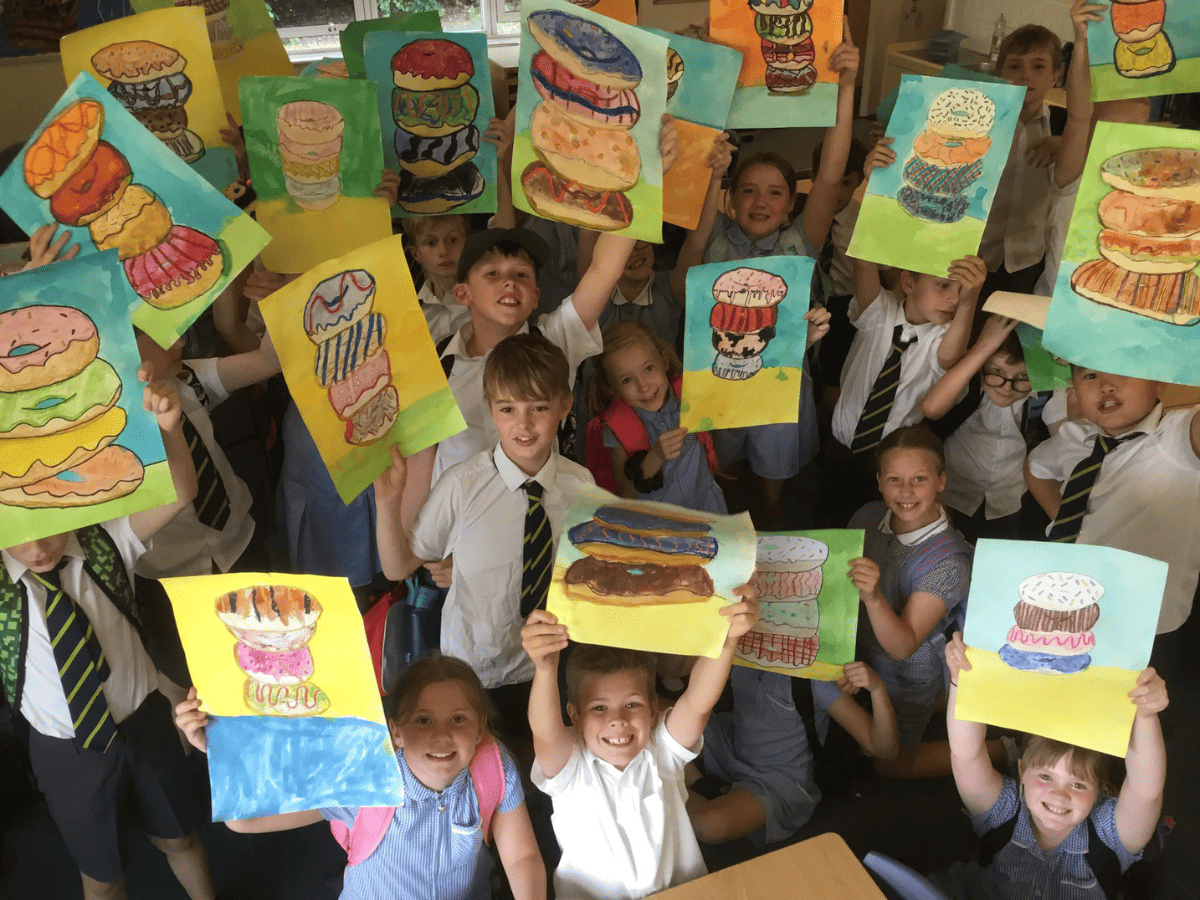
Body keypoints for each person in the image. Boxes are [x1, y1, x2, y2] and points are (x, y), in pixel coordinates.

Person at [1, 373, 212, 900]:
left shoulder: (101, 540)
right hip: (65, 748)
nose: (39, 548)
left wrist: (168, 428)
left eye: (49, 524)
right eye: (18, 537)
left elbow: (181, 492)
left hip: (146, 722)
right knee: (101, 874)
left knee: (180, 836)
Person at [428, 117, 678, 486]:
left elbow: (604, 270)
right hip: (462, 532)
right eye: (492, 274)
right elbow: (420, 466)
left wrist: (646, 180)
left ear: (536, 297)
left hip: (545, 518)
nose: (509, 282)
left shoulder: (554, 339)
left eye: (522, 275)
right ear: (462, 293)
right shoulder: (437, 361)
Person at [676, 23, 858, 527]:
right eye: (749, 191)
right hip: (717, 377)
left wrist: (846, 88)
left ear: (790, 204)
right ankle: (730, 514)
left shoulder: (801, 241)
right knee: (722, 466)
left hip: (780, 377)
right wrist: (695, 60)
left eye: (775, 192)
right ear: (730, 201)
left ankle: (773, 512)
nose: (761, 201)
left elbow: (830, 170)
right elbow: (686, 153)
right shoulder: (710, 237)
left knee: (773, 476)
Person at [173, 654, 545, 900]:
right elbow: (245, 821)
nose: (441, 735)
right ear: (396, 732)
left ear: (481, 727)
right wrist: (221, 750)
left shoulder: (492, 766)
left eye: (459, 719)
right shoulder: (363, 777)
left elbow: (522, 856)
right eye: (423, 720)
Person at [374, 334, 594, 738]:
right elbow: (397, 567)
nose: (523, 424)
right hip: (476, 672)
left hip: (550, 663)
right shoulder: (463, 484)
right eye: (507, 408)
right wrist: (388, 504)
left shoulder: (581, 486)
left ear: (564, 405)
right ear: (491, 409)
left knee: (541, 769)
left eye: (539, 408)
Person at [519, 584, 758, 900]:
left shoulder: (662, 753)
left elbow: (698, 703)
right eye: (599, 708)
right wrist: (545, 668)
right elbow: (546, 732)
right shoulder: (570, 767)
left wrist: (728, 641)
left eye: (632, 704)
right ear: (574, 716)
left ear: (653, 709)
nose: (617, 720)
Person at [823, 139, 985, 522]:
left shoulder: (940, 340)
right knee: (829, 518)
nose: (951, 299)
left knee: (877, 530)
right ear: (910, 283)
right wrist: (871, 185)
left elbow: (949, 356)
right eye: (943, 286)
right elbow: (864, 260)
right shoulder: (879, 312)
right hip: (839, 446)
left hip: (892, 464)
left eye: (958, 293)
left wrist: (970, 300)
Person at [937, 633, 1168, 900]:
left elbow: (1146, 790)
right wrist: (961, 680)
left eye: (1078, 784)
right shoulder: (1003, 811)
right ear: (1023, 771)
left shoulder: (1110, 836)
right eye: (1046, 776)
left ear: (1100, 790)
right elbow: (967, 753)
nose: (1059, 795)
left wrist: (1146, 715)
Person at [1025, 368, 1200, 675]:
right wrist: (1067, 520)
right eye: (1090, 376)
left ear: (1159, 381)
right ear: (1074, 389)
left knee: (1137, 715)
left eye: (1125, 371)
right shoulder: (1074, 435)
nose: (1106, 385)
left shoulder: (1180, 436)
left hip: (1143, 627)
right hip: (1068, 607)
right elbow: (1035, 469)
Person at [848, 426, 995, 779]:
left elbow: (903, 646)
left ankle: (1002, 748)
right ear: (880, 481)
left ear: (941, 481)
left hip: (906, 674)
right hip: (857, 650)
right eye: (895, 479)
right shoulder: (868, 516)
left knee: (888, 763)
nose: (906, 492)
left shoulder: (950, 562)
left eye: (919, 479)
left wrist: (873, 597)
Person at [686, 661, 899, 847]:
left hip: (779, 781)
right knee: (663, 720)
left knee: (709, 825)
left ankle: (688, 785)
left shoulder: (814, 678)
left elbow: (883, 749)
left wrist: (877, 689)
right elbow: (672, 670)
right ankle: (696, 782)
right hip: (732, 741)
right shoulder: (744, 647)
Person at [585, 320, 724, 513]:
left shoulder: (689, 395)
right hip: (656, 522)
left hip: (706, 509)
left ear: (664, 361)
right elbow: (626, 494)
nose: (644, 386)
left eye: (648, 368)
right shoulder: (618, 428)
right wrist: (656, 456)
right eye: (627, 380)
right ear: (612, 388)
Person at [921, 315, 1031, 544]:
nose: (1007, 387)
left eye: (1022, 376)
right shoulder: (968, 387)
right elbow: (932, 409)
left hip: (1008, 501)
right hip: (952, 494)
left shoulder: (1041, 399)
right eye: (997, 372)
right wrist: (983, 348)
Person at [979, 24, 1064, 297]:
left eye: (1038, 66)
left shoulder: (1064, 127)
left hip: (1030, 257)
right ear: (1001, 74)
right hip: (979, 248)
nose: (1026, 75)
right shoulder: (981, 121)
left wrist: (1065, 143)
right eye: (1014, 66)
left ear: (1054, 76)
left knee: (1011, 333)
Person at [402, 214, 472, 345]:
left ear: (467, 242)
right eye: (431, 243)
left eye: (452, 240)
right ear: (415, 254)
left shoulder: (486, 301)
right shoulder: (409, 311)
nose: (443, 251)